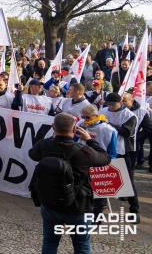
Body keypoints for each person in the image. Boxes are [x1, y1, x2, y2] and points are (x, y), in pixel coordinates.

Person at [29, 113, 110, 253]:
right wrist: (90, 140)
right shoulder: (85, 151)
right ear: (74, 130)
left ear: (53, 127)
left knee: (50, 242)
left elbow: (32, 154)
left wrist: (52, 138)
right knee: (81, 245)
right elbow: (105, 158)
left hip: (50, 203)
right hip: (78, 207)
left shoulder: (44, 145)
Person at [99, 93, 140, 222]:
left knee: (126, 180)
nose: (110, 107)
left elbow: (126, 132)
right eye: (108, 104)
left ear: (120, 103)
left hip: (122, 150)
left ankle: (134, 209)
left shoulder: (129, 116)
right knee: (103, 178)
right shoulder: (104, 110)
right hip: (105, 148)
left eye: (112, 105)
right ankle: (100, 206)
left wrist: (109, 123)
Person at [78, 105, 118, 219]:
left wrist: (106, 165)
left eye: (88, 117)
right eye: (83, 116)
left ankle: (96, 219)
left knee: (99, 195)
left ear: (96, 116)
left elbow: (113, 152)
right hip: (83, 163)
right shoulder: (81, 125)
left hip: (100, 164)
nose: (85, 119)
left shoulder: (109, 130)